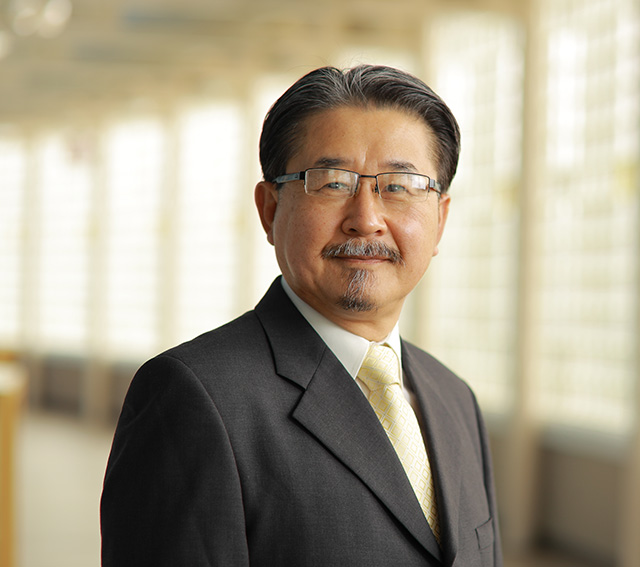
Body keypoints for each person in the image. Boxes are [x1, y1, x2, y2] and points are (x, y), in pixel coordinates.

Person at [100, 64, 502, 567]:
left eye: (399, 185)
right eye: (332, 183)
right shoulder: (193, 398)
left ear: (440, 220)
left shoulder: (453, 399)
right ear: (270, 210)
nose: (366, 219)